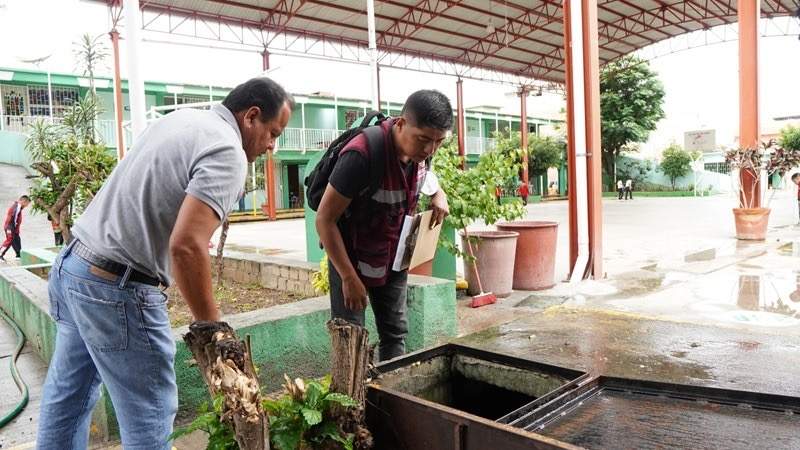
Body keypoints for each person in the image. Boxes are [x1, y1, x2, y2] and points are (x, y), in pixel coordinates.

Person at [36, 77, 294, 450]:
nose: (272, 146)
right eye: (272, 133)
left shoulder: (180, 120)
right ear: (251, 116)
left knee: (68, 398)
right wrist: (214, 332)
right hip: (116, 288)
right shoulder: (227, 150)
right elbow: (188, 246)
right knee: (150, 417)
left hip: (74, 267)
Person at [316, 90, 452, 362]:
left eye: (438, 142)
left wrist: (439, 194)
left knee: (395, 333)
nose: (429, 150)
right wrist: (348, 277)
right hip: (351, 259)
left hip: (392, 256)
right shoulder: (361, 155)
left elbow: (422, 175)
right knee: (350, 338)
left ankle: (390, 395)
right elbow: (324, 219)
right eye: (423, 139)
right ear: (401, 124)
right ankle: (354, 402)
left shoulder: (419, 155)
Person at [0, 195, 30, 261]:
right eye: (27, 204)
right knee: (10, 240)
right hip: (10, 227)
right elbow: (14, 218)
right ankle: (1, 253)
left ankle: (18, 254)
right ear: (23, 201)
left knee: (17, 240)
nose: (26, 206)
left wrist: (16, 230)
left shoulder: (18, 207)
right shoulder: (17, 207)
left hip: (13, 227)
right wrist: (13, 229)